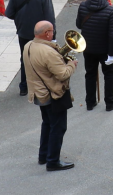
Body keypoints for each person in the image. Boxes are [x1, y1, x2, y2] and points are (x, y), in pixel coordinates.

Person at [25, 20, 77, 171]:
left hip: (39, 94)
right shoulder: (48, 52)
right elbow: (62, 74)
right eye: (52, 31)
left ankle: (44, 155)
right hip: (52, 95)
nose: (53, 33)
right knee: (58, 127)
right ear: (47, 33)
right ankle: (53, 161)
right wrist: (71, 65)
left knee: (47, 124)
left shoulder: (28, 46)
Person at [7, 0, 55, 97]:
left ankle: (24, 87)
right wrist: (52, 36)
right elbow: (49, 17)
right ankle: (42, 86)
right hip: (41, 34)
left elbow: (9, 13)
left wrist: (20, 19)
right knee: (43, 60)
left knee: (25, 58)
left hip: (23, 32)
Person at [76, 0, 113, 111]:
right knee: (108, 75)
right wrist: (111, 53)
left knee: (90, 74)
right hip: (104, 49)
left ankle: (90, 102)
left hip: (88, 48)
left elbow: (79, 24)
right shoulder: (110, 10)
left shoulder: (83, 6)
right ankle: (109, 102)